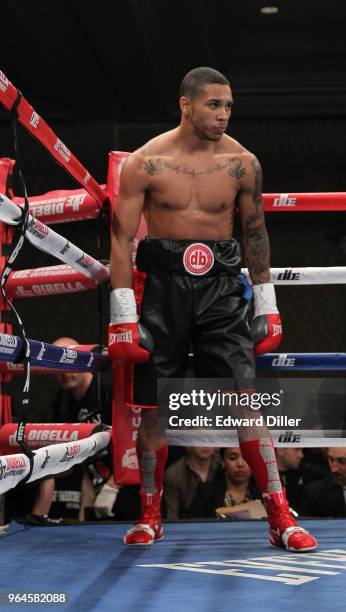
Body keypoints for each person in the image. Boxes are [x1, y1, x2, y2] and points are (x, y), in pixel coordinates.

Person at [109, 66, 317, 552]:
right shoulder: (146, 162)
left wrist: (267, 303)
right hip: (162, 290)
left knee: (248, 403)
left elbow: (255, 232)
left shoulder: (242, 163)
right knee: (155, 410)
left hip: (222, 290)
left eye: (228, 106)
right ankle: (151, 514)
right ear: (186, 104)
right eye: (213, 105)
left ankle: (280, 516)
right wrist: (123, 313)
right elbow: (121, 238)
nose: (223, 115)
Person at [17, 337, 113, 524]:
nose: (65, 373)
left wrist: (113, 486)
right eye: (59, 366)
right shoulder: (62, 401)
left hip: (119, 477)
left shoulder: (107, 391)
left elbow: (131, 440)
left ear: (84, 362)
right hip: (88, 473)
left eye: (70, 365)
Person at [188, 447, 261, 519]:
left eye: (247, 458)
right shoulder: (205, 492)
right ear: (222, 461)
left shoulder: (263, 494)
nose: (240, 464)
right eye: (233, 458)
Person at [165, 446, 220, 519]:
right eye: (199, 437)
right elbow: (172, 517)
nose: (205, 443)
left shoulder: (224, 465)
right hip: (186, 525)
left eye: (209, 437)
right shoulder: (173, 474)